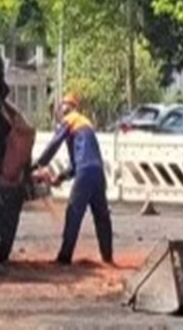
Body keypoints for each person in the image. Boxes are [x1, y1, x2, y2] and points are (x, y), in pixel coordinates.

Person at [33, 94, 114, 266]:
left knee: (74, 212)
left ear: (67, 107)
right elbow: (77, 163)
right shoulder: (85, 123)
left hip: (85, 172)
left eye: (62, 106)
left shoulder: (71, 120)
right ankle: (108, 257)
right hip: (98, 172)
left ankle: (64, 257)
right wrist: (60, 178)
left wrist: (38, 164)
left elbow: (54, 143)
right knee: (102, 216)